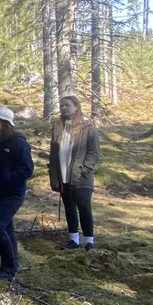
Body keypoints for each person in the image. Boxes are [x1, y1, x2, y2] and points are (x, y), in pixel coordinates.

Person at [0, 107, 34, 281]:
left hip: (12, 193)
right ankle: (14, 262)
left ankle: (8, 268)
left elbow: (26, 169)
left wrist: (7, 178)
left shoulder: (18, 142)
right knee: (6, 227)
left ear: (6, 123)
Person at [48, 96, 101, 250]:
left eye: (67, 105)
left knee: (84, 207)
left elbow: (94, 152)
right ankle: (74, 240)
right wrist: (53, 172)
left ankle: (89, 240)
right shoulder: (58, 127)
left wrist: (84, 169)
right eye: (62, 105)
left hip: (81, 176)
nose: (64, 108)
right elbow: (53, 153)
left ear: (76, 106)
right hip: (63, 175)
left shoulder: (88, 127)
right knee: (69, 207)